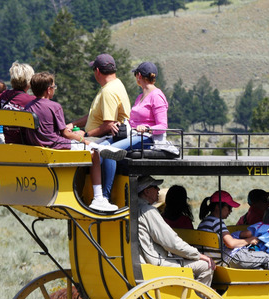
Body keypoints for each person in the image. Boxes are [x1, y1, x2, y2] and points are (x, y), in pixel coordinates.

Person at [22, 72, 128, 212]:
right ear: (48, 90)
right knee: (94, 153)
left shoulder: (27, 107)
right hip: (56, 146)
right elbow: (64, 133)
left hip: (41, 146)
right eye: (54, 87)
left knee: (88, 145)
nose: (54, 89)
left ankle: (99, 146)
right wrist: (80, 137)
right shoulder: (54, 106)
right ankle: (98, 198)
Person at [100, 61, 177, 199]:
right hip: (133, 135)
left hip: (147, 139)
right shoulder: (140, 97)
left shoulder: (157, 96)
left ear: (139, 76)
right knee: (99, 147)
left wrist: (147, 129)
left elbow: (162, 126)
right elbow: (134, 121)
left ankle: (105, 196)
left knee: (110, 152)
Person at [198, 190, 269, 297]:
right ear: (218, 207)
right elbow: (230, 243)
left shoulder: (205, 222)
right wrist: (249, 240)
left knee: (259, 269)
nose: (231, 211)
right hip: (228, 260)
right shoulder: (217, 222)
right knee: (267, 257)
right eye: (229, 208)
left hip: (216, 262)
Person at [72, 54, 132, 201]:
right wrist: (73, 124)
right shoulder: (116, 84)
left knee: (73, 146)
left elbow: (107, 125)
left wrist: (85, 135)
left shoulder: (108, 91)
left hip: (103, 137)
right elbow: (95, 115)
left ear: (97, 71)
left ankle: (80, 194)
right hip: (106, 135)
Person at [136, 175, 215, 286]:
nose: (158, 189)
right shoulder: (148, 211)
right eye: (155, 187)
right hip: (156, 263)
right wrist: (198, 255)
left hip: (146, 260)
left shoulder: (135, 209)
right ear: (147, 191)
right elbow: (171, 242)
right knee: (206, 266)